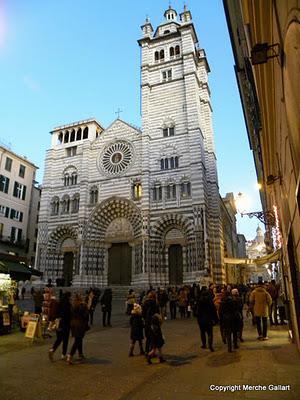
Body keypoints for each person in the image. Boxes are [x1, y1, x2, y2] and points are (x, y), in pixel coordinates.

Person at [48, 292, 72, 361]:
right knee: (65, 340)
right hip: (66, 324)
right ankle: (63, 354)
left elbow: (55, 313)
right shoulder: (68, 305)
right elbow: (69, 315)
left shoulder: (58, 304)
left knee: (59, 339)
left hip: (59, 324)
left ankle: (52, 349)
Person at [67, 294, 89, 364]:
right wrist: (87, 308)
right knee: (77, 341)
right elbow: (85, 316)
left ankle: (80, 354)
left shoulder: (73, 306)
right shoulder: (83, 306)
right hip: (80, 325)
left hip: (73, 324)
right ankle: (70, 355)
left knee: (78, 339)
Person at [195, 287, 218, 352]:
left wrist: (198, 318)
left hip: (201, 319)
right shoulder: (210, 301)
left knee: (202, 332)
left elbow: (197, 311)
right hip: (209, 319)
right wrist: (216, 319)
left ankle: (204, 344)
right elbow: (214, 310)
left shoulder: (199, 301)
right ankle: (210, 345)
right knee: (210, 333)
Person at [142, 291, 159, 355]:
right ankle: (152, 352)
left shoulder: (144, 303)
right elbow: (157, 314)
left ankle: (146, 351)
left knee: (148, 338)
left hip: (147, 322)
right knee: (153, 337)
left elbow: (143, 314)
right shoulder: (155, 303)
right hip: (153, 322)